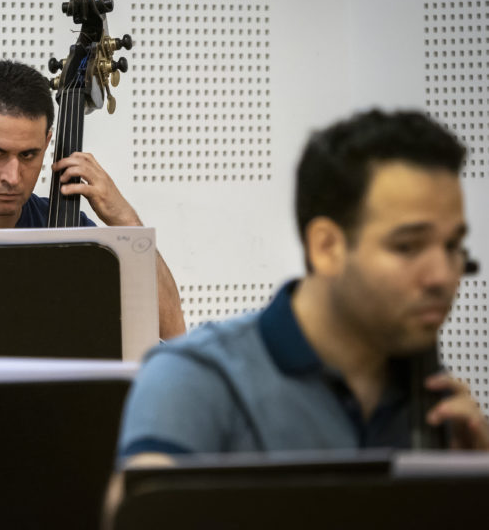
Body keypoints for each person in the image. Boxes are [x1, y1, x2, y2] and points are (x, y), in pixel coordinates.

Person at [118, 109, 489, 461]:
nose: (442, 276)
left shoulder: (436, 406)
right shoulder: (193, 379)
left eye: (453, 246)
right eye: (407, 246)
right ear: (326, 247)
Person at [0, 60, 185, 340]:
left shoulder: (73, 235)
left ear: (47, 144)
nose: (12, 176)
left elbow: (173, 335)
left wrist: (126, 221)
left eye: (28, 155)